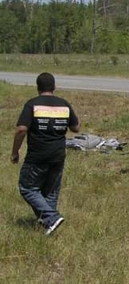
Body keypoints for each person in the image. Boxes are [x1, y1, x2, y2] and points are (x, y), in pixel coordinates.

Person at [11, 72, 81, 235]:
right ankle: (49, 224)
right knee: (50, 191)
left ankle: (51, 217)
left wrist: (15, 152)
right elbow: (76, 127)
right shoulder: (64, 104)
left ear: (38, 88)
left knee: (27, 187)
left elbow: (22, 129)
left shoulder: (32, 105)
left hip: (37, 156)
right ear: (54, 87)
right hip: (58, 156)